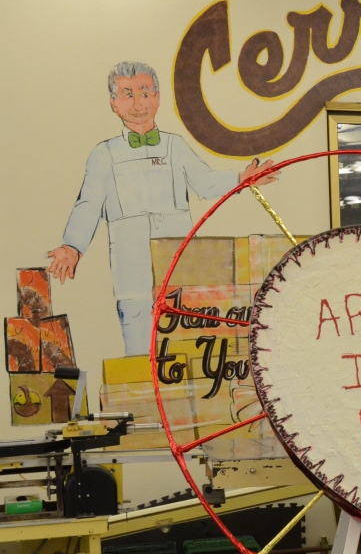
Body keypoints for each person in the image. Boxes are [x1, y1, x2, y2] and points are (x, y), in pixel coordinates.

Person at [47, 61, 278, 355]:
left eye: (144, 93)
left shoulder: (175, 146)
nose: (137, 103)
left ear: (157, 99)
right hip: (131, 269)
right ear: (114, 104)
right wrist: (72, 246)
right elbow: (88, 205)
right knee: (140, 350)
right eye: (127, 94)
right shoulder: (104, 154)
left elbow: (205, 183)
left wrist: (241, 179)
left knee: (184, 346)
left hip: (178, 263)